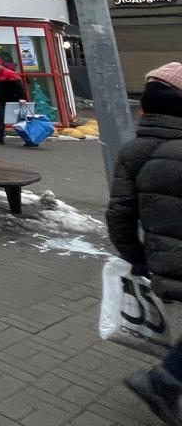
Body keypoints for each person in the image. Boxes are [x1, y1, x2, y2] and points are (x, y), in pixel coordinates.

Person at [106, 63, 182, 423]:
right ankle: (163, 381)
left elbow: (119, 214)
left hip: (161, 260)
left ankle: (165, 380)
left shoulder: (133, 150)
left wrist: (137, 257)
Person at [0, 57, 26, 144]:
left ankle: (29, 137)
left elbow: (19, 85)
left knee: (20, 118)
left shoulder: (9, 73)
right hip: (2, 99)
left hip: (14, 98)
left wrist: (22, 98)